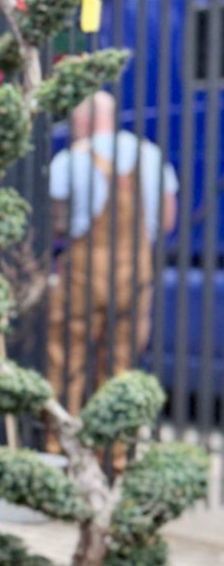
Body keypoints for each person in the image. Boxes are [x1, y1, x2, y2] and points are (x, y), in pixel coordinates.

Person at [47, 91, 178, 401]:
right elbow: (168, 218)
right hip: (135, 270)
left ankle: (60, 436)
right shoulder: (150, 154)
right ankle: (113, 447)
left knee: (67, 352)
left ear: (82, 120)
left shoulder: (71, 158)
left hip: (83, 271)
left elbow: (55, 222)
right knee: (123, 359)